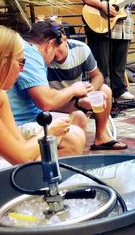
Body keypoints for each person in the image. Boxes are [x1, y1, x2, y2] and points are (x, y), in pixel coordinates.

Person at [0, 25, 72, 174]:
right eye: (21, 62)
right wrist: (49, 131)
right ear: (1, 62)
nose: (23, 69)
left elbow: (20, 144)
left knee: (41, 162)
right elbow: (21, 158)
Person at [45, 18, 128, 151]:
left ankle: (101, 137)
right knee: (79, 117)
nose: (56, 53)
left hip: (76, 95)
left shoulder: (80, 49)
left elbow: (98, 76)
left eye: (58, 46)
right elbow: (46, 100)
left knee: (105, 90)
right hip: (55, 101)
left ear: (65, 40)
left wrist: (91, 89)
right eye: (52, 48)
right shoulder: (42, 57)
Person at [7, 21, 87, 155]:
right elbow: (46, 102)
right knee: (74, 137)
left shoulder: (28, 50)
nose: (55, 59)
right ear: (50, 45)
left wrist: (78, 103)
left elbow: (44, 103)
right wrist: (73, 90)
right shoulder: (30, 53)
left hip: (33, 117)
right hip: (19, 123)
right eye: (55, 52)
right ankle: (47, 166)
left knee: (78, 117)